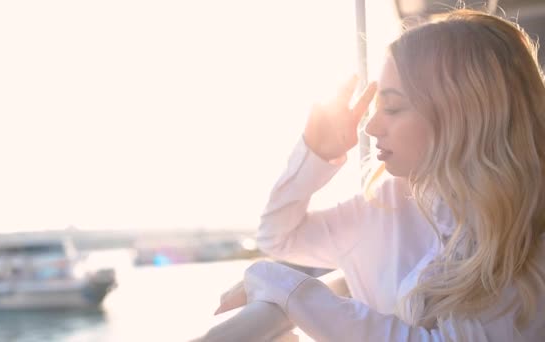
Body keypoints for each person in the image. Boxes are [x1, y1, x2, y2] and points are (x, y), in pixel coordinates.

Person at [213, 9, 545, 341]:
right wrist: (315, 155)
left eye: (393, 108)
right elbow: (277, 236)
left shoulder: (528, 242)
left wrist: (290, 291)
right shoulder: (390, 202)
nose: (370, 127)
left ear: (464, 116)